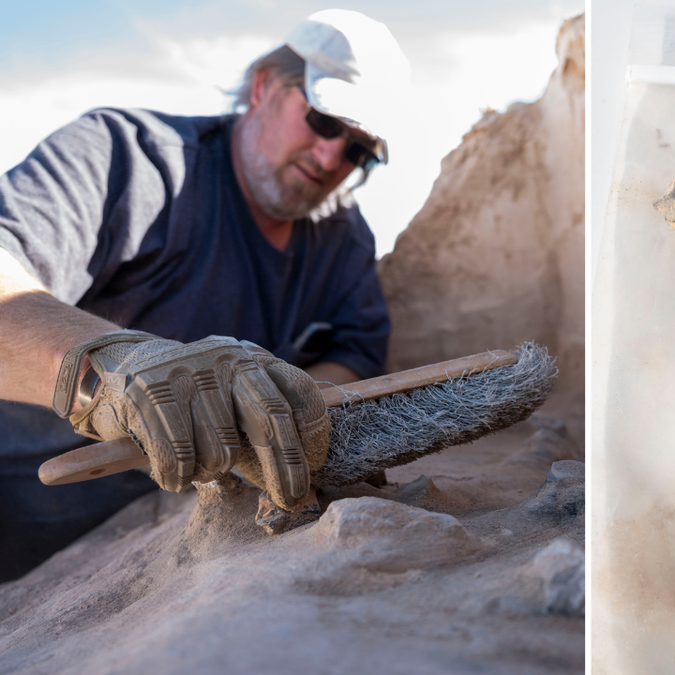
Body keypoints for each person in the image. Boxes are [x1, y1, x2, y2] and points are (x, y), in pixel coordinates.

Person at [0, 10, 407, 581]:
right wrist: (122, 364)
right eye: (325, 121)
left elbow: (359, 351)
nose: (331, 159)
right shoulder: (128, 158)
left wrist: (283, 407)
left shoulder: (340, 236)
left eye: (360, 152)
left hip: (134, 548)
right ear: (266, 85)